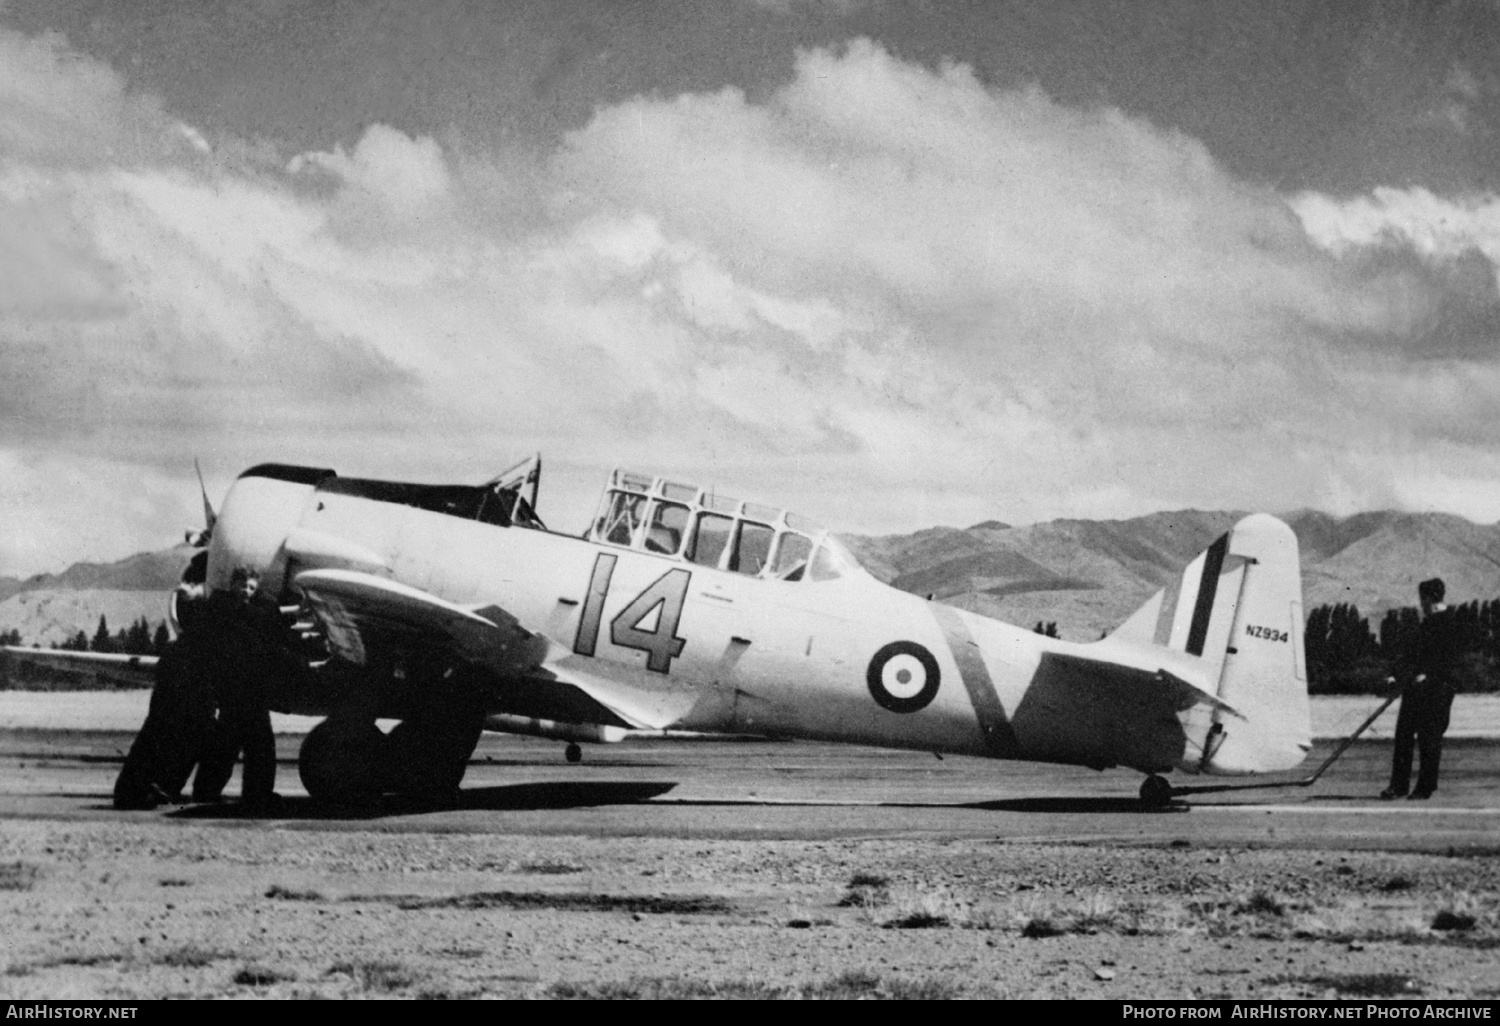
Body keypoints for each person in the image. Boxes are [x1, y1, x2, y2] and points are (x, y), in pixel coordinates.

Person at [191, 569, 286, 811]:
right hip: (242, 689)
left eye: (251, 588)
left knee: (230, 743)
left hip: (242, 689)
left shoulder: (221, 607)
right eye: (243, 585)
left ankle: (207, 790)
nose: (246, 591)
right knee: (257, 745)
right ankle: (256, 794)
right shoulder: (231, 608)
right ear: (233, 584)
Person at [1381, 577, 1461, 801]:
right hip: (1416, 688)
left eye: (1422, 599)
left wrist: (1429, 675)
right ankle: (1399, 786)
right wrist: (1395, 675)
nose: (1421, 604)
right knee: (1404, 734)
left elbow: (1449, 659)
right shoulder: (1427, 622)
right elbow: (1413, 654)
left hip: (1438, 689)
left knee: (1429, 737)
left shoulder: (1448, 622)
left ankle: (1425, 787)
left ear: (1428, 598)